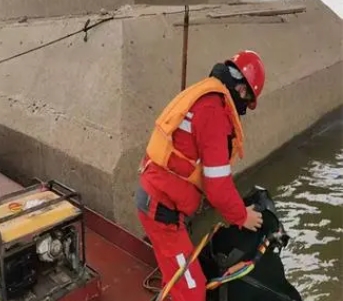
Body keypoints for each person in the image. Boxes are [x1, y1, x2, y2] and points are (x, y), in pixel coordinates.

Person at [135, 50, 266, 301]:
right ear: (241, 91)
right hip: (161, 211)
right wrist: (242, 216)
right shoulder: (214, 112)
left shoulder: (206, 94)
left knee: (175, 278)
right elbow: (217, 186)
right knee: (192, 290)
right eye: (247, 100)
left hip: (154, 199)